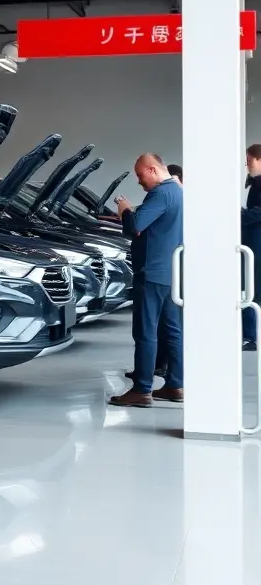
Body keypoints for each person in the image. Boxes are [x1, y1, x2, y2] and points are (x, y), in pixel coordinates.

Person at [109, 154, 184, 407]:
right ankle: (175, 384)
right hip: (172, 272)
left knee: (145, 332)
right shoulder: (178, 191)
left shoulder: (161, 194)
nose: (140, 182)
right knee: (172, 331)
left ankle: (142, 389)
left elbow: (136, 225)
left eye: (140, 176)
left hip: (152, 273)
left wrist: (126, 211)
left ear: (152, 170)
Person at [241, 146, 261, 349]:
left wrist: (241, 215)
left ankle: (251, 336)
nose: (247, 164)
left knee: (252, 288)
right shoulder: (255, 183)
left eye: (249, 160)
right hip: (254, 242)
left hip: (256, 243)